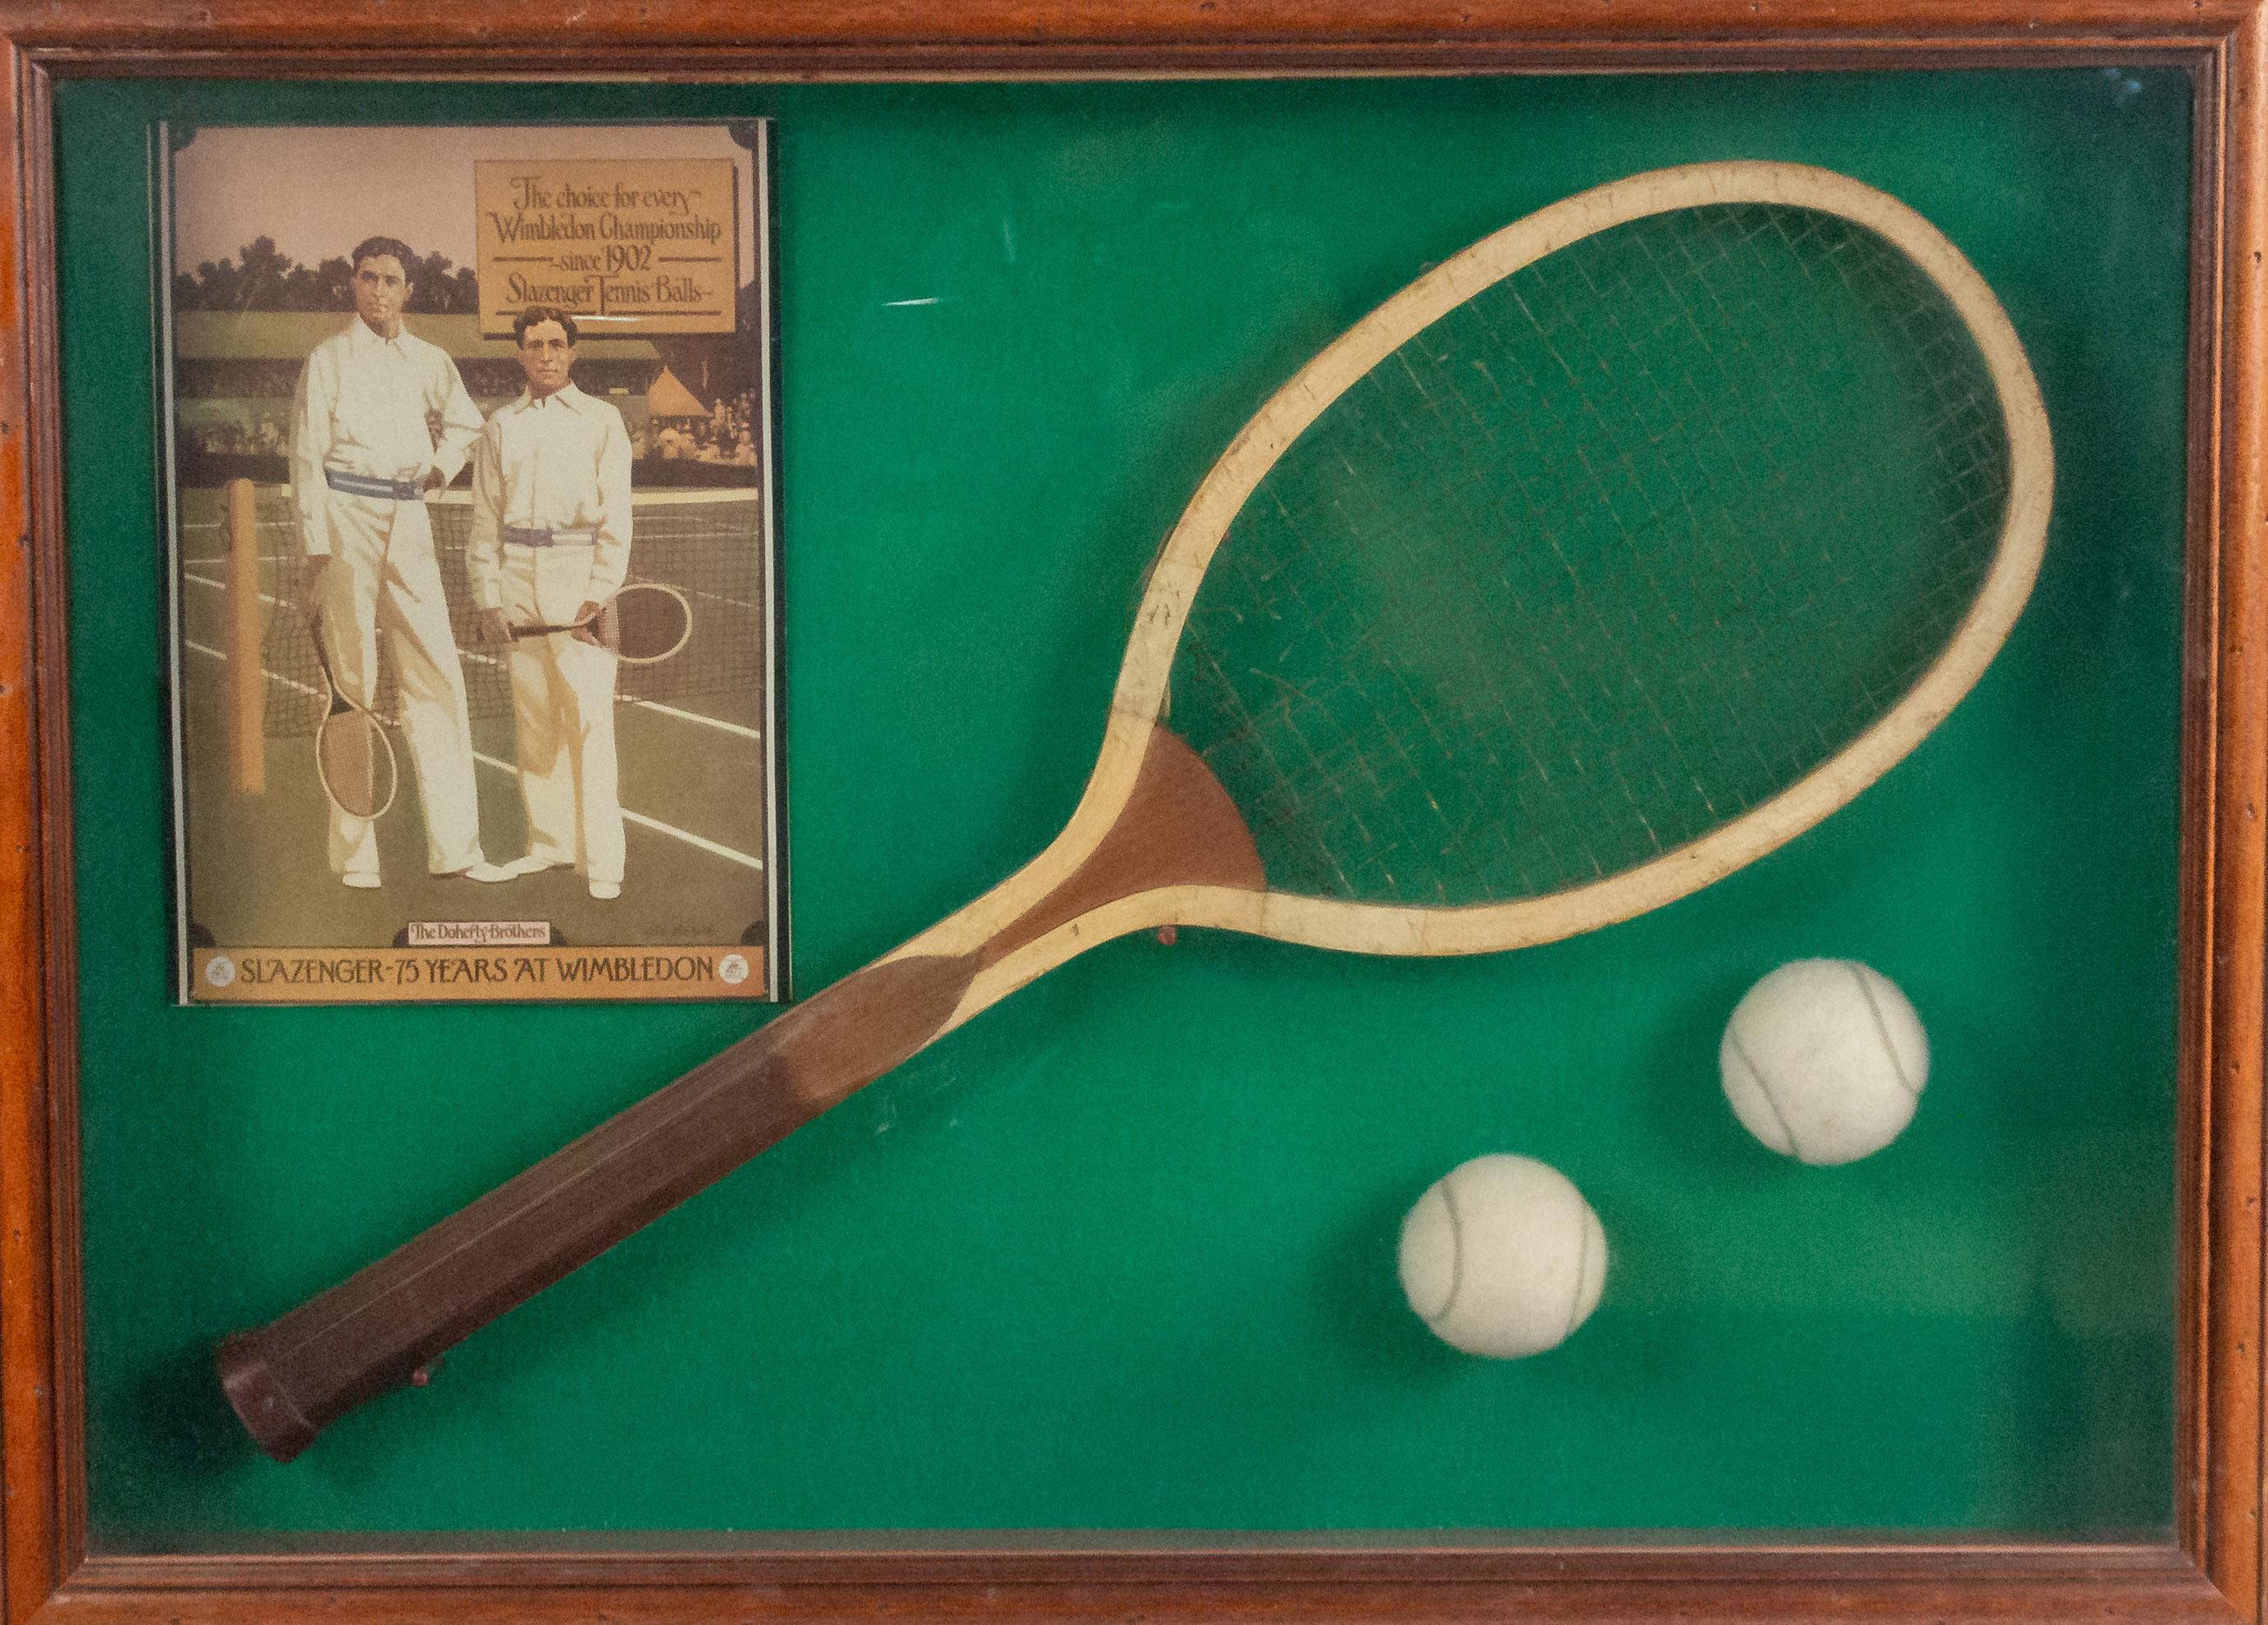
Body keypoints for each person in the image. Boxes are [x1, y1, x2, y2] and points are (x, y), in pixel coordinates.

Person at [290, 235, 508, 890]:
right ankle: (355, 857)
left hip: (408, 518)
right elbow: (306, 457)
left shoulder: (431, 358)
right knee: (351, 681)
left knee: (438, 676)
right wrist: (315, 552)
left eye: (391, 280)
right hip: (345, 516)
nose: (379, 290)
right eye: (368, 278)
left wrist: (439, 470)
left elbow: (467, 424)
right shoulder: (327, 359)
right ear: (351, 285)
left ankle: (458, 850)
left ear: (408, 289)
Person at [467, 306, 632, 901]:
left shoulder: (603, 420)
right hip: (518, 585)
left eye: (556, 344)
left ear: (573, 351)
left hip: (581, 583)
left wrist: (598, 593)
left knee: (591, 728)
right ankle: (550, 845)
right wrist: (489, 599)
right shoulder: (500, 425)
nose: (546, 354)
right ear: (519, 353)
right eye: (534, 344)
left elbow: (617, 519)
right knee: (535, 729)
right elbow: (484, 519)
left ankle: (604, 863)